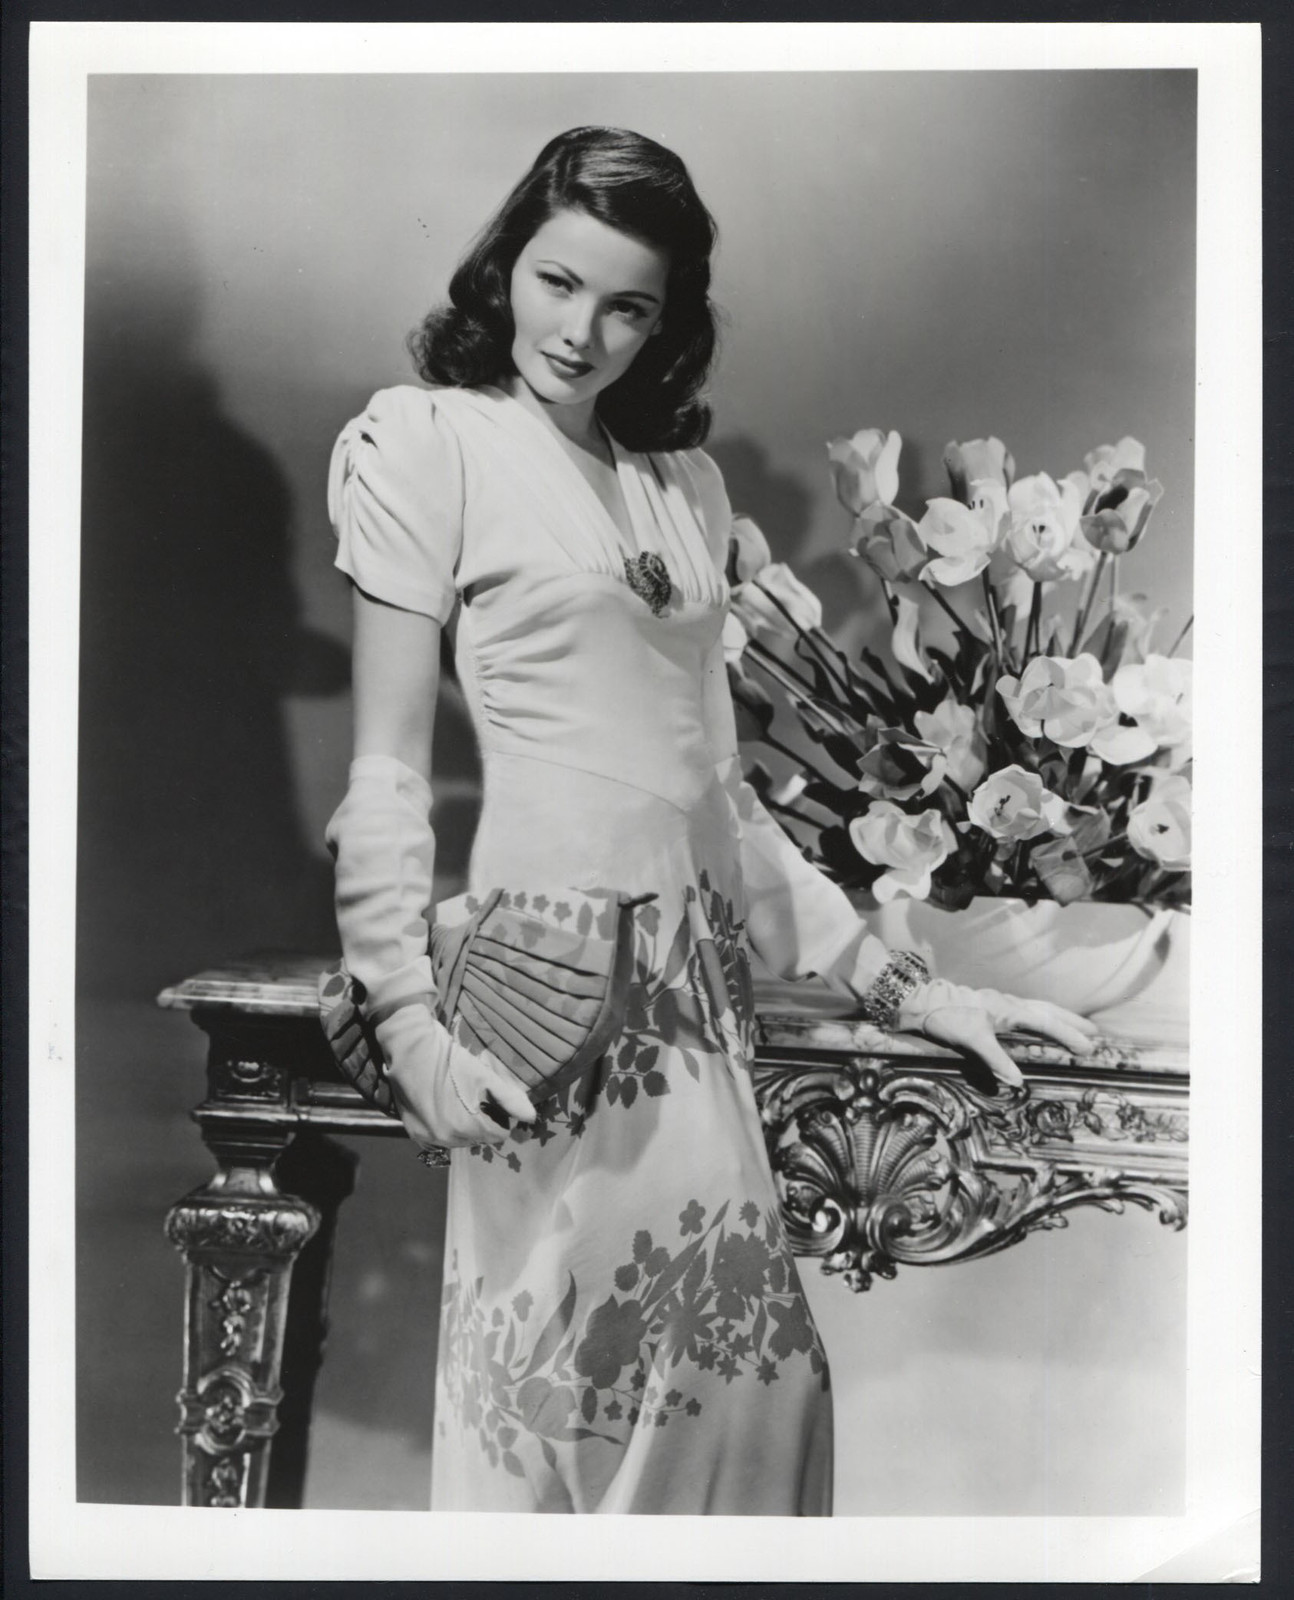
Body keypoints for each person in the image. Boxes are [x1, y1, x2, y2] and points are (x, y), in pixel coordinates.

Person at [324, 126, 1098, 1516]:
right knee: (569, 1405)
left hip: (695, 996)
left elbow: (719, 799)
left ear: (667, 322)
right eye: (558, 283)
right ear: (504, 268)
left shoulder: (684, 489)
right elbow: (383, 773)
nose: (582, 332)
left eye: (628, 306)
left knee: (743, 1402)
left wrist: (908, 987)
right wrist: (406, 1027)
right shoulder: (426, 442)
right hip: (545, 987)